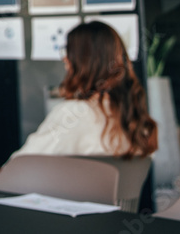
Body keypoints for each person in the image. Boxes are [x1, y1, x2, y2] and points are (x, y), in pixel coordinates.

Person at [11, 21, 158, 158]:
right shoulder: (133, 116)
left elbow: (19, 165)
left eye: (68, 52)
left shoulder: (73, 113)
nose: (64, 59)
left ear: (83, 62)